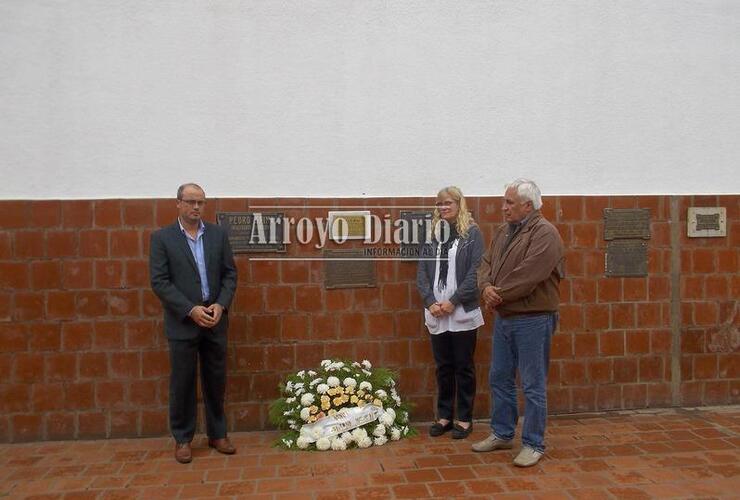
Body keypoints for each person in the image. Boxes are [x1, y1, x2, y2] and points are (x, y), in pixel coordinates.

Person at [472, 178, 564, 467]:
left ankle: (533, 443)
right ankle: (502, 432)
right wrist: (485, 286)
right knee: (499, 377)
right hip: (506, 317)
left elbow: (528, 276)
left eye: (509, 202)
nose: (503, 208)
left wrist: (495, 295)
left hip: (533, 319)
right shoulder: (503, 231)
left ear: (528, 205)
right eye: (504, 202)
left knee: (533, 384)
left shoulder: (546, 234)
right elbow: (485, 263)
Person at [150, 183, 238, 464]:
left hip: (214, 320)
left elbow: (229, 275)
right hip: (183, 323)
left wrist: (220, 305)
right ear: (178, 203)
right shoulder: (162, 238)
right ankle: (183, 439)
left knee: (216, 380)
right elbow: (160, 282)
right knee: (183, 382)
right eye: (190, 202)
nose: (196, 207)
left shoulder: (217, 235)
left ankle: (217, 433)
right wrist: (190, 309)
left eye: (201, 202)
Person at [416, 186, 484, 440]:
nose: (443, 207)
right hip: (436, 311)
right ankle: (444, 416)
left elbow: (477, 271)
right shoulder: (433, 234)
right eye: (439, 204)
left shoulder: (472, 234)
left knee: (463, 366)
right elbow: (422, 272)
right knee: (443, 367)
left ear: (459, 204)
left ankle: (464, 418)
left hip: (461, 310)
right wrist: (430, 301)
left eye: (448, 203)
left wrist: (453, 301)